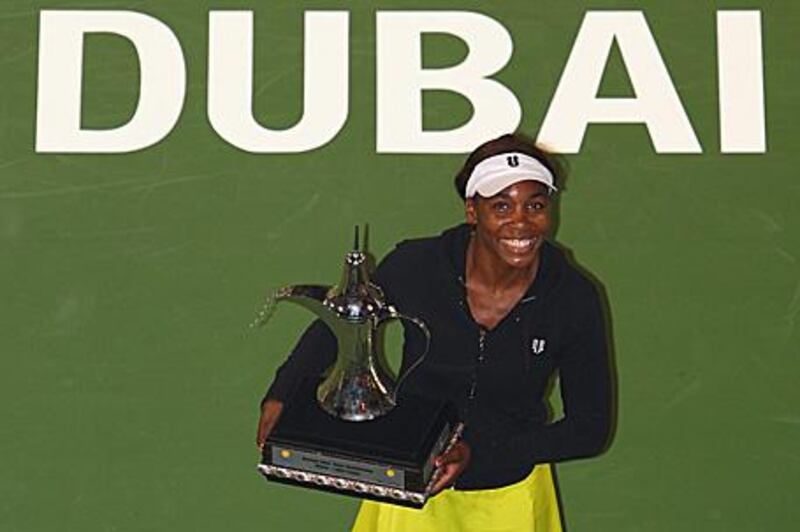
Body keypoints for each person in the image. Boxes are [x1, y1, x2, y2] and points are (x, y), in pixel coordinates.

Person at [256, 133, 613, 531]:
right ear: (472, 211)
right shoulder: (416, 266)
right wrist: (282, 393)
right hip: (411, 495)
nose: (521, 222)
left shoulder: (574, 297)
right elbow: (341, 322)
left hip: (510, 496)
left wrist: (479, 455)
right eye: (501, 205)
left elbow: (589, 428)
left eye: (535, 205)